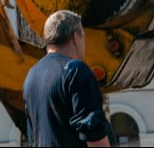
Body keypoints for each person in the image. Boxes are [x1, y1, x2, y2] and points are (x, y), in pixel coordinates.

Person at [23, 10, 115, 147]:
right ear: (76, 38)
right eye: (83, 36)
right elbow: (93, 133)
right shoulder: (76, 70)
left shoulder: (31, 76)